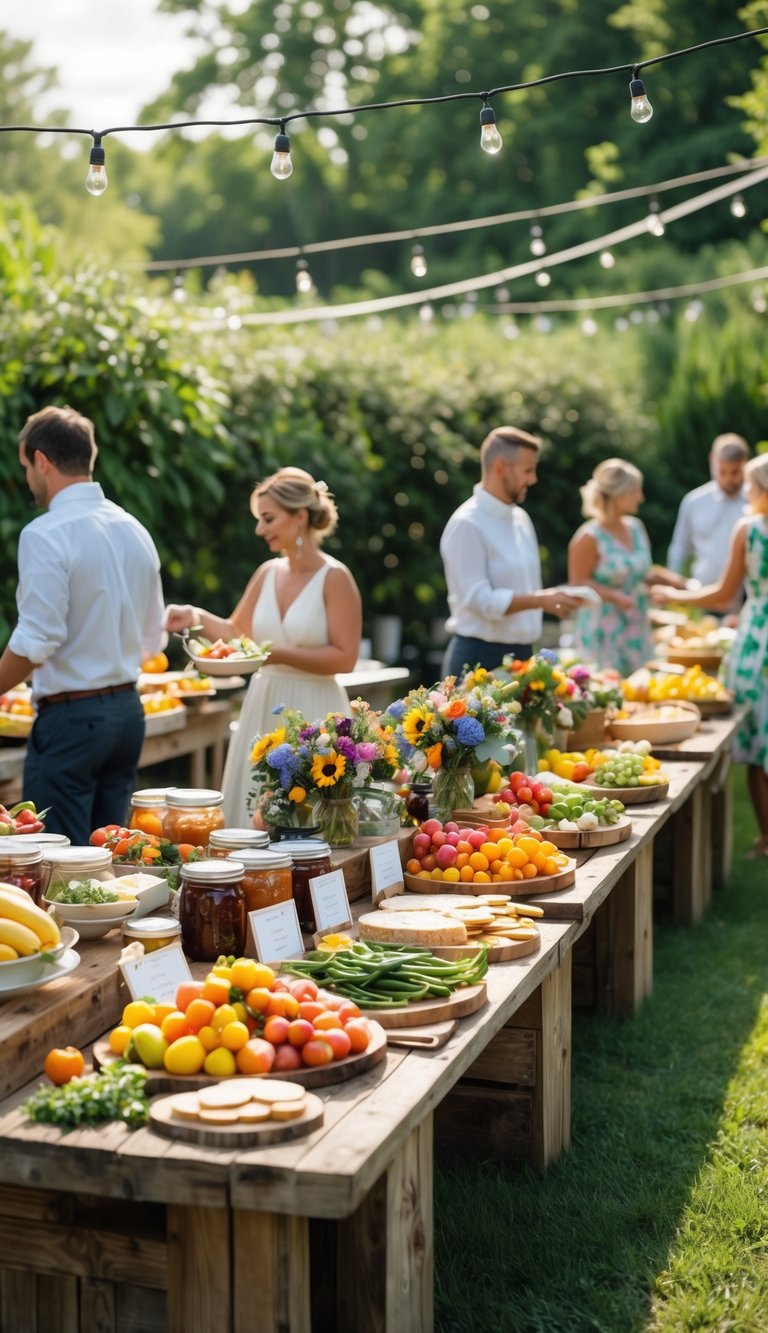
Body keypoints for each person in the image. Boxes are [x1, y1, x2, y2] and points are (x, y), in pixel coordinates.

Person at [0, 406, 165, 843]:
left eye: (26, 466)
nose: (28, 478)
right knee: (109, 856)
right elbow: (153, 637)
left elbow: (36, 640)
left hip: (72, 721)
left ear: (41, 461)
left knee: (58, 859)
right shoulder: (135, 528)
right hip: (127, 714)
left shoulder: (44, 533)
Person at [165, 467, 362, 825]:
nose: (259, 529)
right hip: (264, 705)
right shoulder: (267, 572)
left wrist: (273, 655)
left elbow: (345, 657)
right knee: (254, 812)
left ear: (300, 516)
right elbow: (235, 631)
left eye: (268, 519)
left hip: (316, 709)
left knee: (314, 815)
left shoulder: (335, 578)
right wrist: (193, 615)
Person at [652, 454, 768, 856]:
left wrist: (675, 594)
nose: (747, 491)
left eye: (752, 485)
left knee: (759, 742)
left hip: (758, 640)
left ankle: (767, 839)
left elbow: (722, 593)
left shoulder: (749, 529)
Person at [439, 426, 581, 677]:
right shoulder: (466, 524)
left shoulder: (521, 518)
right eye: (528, 470)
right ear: (500, 467)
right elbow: (482, 601)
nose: (533, 479)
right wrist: (541, 600)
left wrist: (553, 599)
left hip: (523, 656)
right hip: (478, 660)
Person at [567, 458, 682, 677]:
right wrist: (613, 596)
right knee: (608, 687)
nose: (641, 497)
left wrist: (669, 582)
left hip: (636, 625)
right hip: (603, 630)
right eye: (636, 491)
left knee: (641, 685)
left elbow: (639, 572)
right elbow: (578, 583)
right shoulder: (588, 537)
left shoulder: (636, 528)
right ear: (619, 495)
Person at [667, 432, 750, 616]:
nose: (728, 479)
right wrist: (675, 591)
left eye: (735, 472)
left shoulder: (756, 501)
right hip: (705, 598)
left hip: (748, 599)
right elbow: (679, 549)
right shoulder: (694, 502)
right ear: (712, 460)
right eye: (722, 472)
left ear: (745, 464)